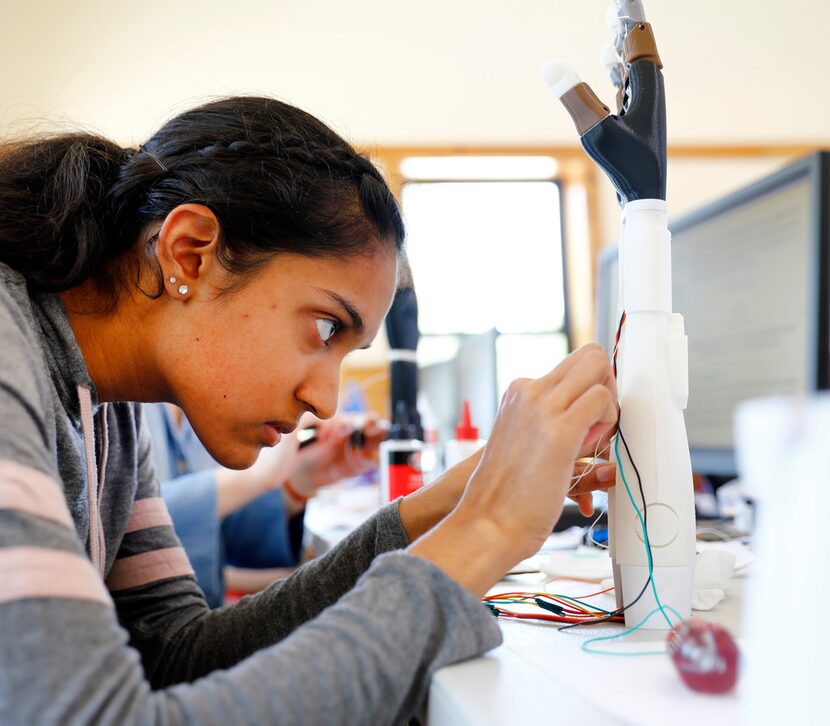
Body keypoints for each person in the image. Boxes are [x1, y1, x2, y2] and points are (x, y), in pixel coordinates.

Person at [0, 96, 617, 724]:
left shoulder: (108, 410)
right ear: (190, 252)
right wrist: (487, 528)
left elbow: (175, 656)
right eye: (325, 328)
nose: (324, 400)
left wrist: (443, 507)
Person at [146, 402, 384, 605]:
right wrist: (254, 477)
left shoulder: (190, 403)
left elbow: (208, 531)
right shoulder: (118, 405)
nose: (326, 403)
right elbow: (127, 533)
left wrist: (298, 482)